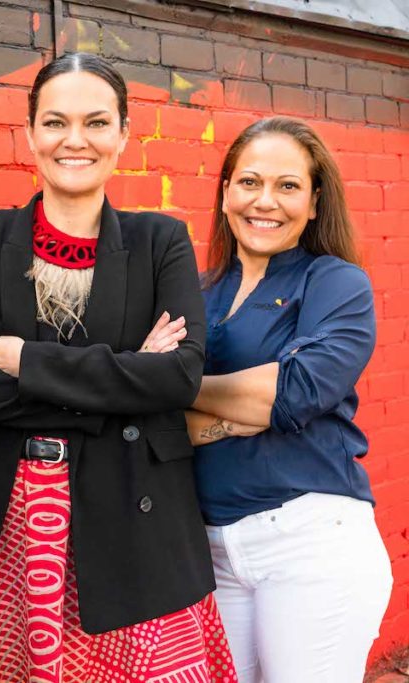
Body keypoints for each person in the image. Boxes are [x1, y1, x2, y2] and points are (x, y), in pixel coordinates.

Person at [0, 52, 237, 682]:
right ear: (30, 132)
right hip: (7, 519)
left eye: (96, 122)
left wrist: (26, 359)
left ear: (123, 133)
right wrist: (124, 379)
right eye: (55, 121)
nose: (75, 140)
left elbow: (178, 377)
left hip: (132, 520)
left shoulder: (160, 242)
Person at [186, 116, 392, 682]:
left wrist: (185, 392)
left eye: (288, 185)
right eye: (249, 181)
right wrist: (232, 413)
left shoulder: (334, 283)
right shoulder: (196, 292)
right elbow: (156, 418)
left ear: (315, 200)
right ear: (226, 189)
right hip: (215, 551)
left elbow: (298, 391)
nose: (265, 201)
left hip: (310, 541)